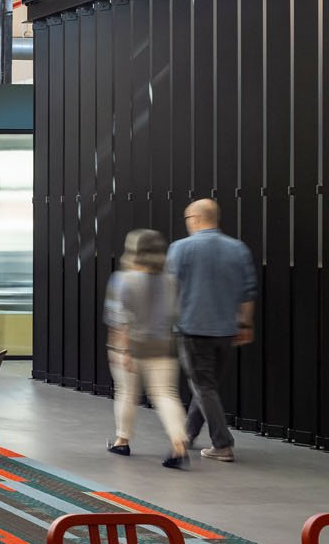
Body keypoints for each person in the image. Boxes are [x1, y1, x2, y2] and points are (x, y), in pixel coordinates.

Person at [167, 198, 257, 463]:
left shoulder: (180, 248)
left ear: (195, 218)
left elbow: (169, 288)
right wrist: (246, 323)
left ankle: (223, 444)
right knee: (207, 385)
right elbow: (248, 291)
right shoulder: (238, 249)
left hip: (192, 328)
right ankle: (188, 433)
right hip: (226, 330)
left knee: (203, 385)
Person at [104, 229, 190, 469]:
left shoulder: (123, 279)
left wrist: (124, 349)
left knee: (126, 394)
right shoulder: (170, 280)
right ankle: (179, 443)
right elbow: (175, 315)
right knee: (165, 394)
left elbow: (119, 318)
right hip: (163, 345)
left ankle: (122, 440)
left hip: (131, 345)